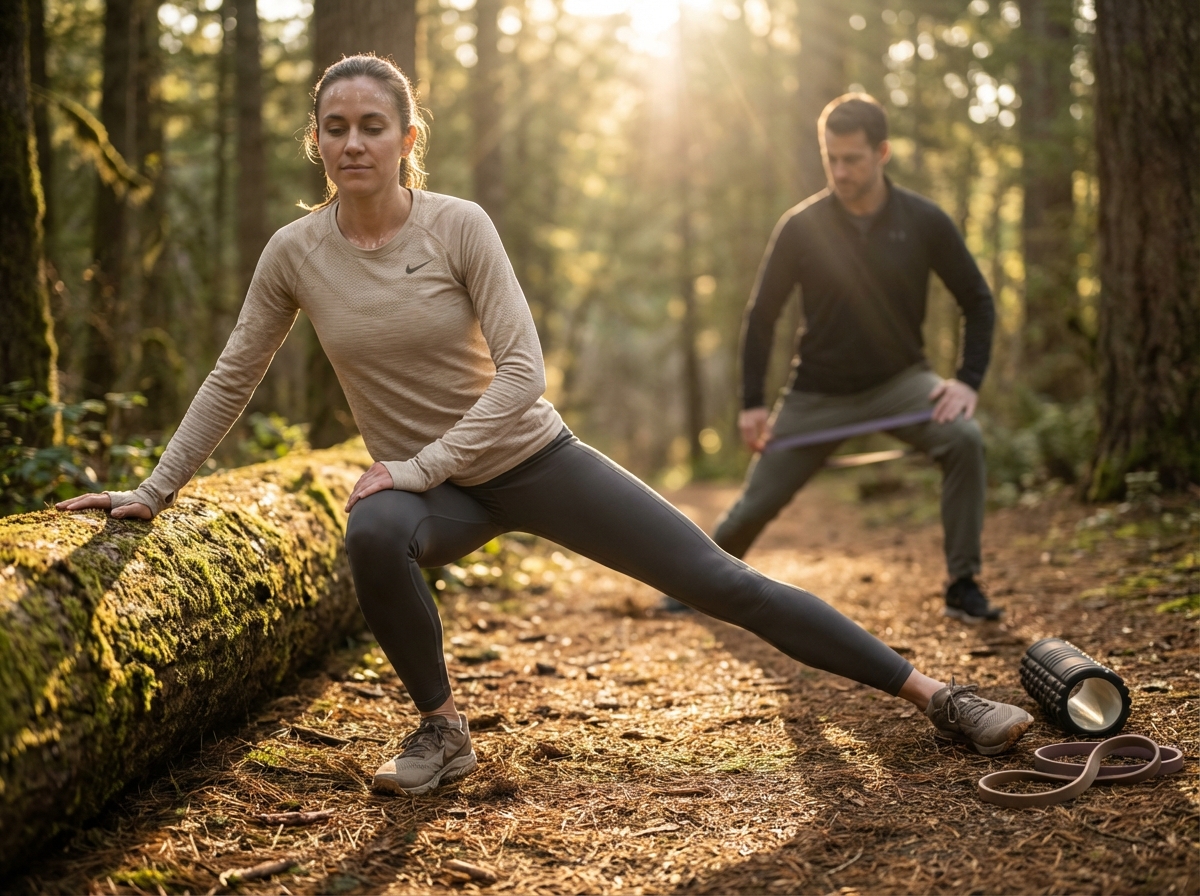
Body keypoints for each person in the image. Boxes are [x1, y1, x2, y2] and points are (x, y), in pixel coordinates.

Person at [56, 58, 1031, 797]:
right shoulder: (295, 254)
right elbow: (233, 375)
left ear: (406, 136)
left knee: (721, 580)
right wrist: (154, 490)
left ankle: (939, 695)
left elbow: (525, 375)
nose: (354, 142)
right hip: (430, 497)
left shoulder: (458, 226)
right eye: (336, 127)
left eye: (373, 126)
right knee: (371, 533)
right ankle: (442, 727)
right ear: (315, 139)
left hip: (533, 460)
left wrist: (421, 460)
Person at [712, 93, 1003, 624]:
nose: (840, 171)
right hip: (817, 393)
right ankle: (696, 585)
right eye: (831, 159)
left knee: (964, 438)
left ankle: (963, 585)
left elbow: (978, 302)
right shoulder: (801, 226)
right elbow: (761, 316)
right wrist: (752, 403)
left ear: (882, 153)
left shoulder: (924, 221)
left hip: (901, 382)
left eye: (853, 159)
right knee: (755, 503)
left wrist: (967, 381)